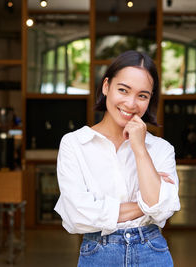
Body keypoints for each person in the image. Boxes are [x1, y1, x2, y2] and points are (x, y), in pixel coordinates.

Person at [54, 50, 180, 266]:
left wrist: (140, 148)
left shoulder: (161, 149)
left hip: (152, 252)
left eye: (142, 95)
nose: (131, 104)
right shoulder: (75, 144)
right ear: (106, 87)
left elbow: (164, 212)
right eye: (123, 90)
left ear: (150, 99)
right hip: (98, 253)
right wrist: (147, 204)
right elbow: (77, 215)